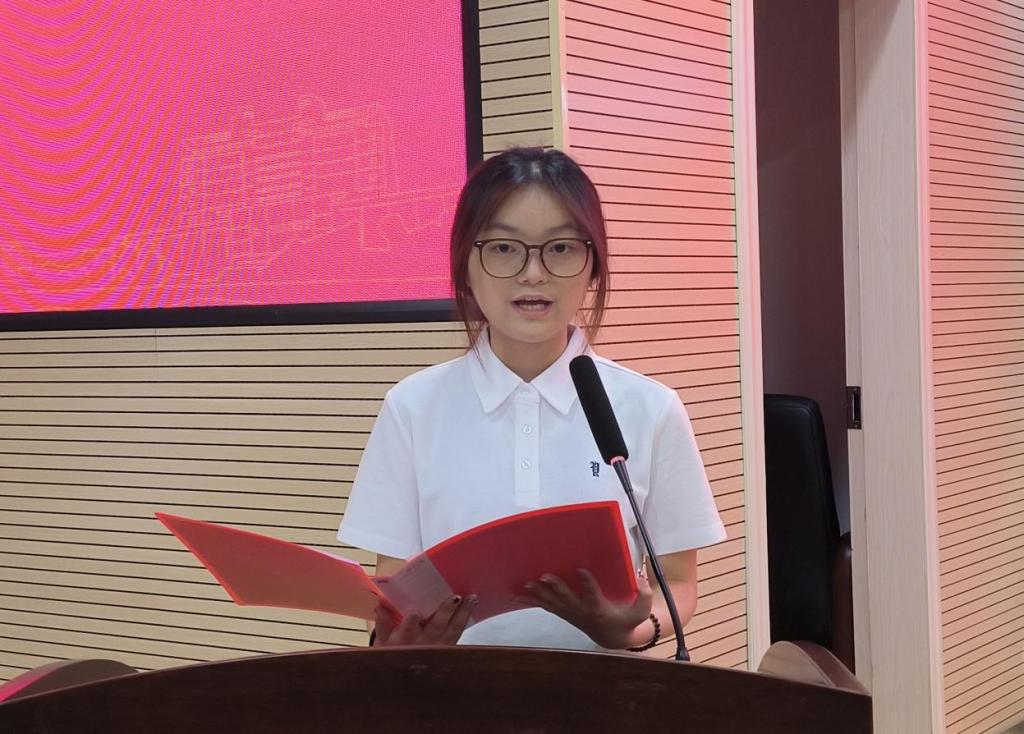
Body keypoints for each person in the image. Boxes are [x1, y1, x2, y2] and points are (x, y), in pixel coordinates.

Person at [338, 147, 726, 652]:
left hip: (607, 688)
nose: (534, 273)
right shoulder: (411, 407)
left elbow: (678, 581)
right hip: (454, 689)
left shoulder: (650, 408)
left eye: (560, 247)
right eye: (504, 247)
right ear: (465, 265)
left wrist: (634, 631)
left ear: (593, 266)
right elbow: (395, 589)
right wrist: (404, 640)